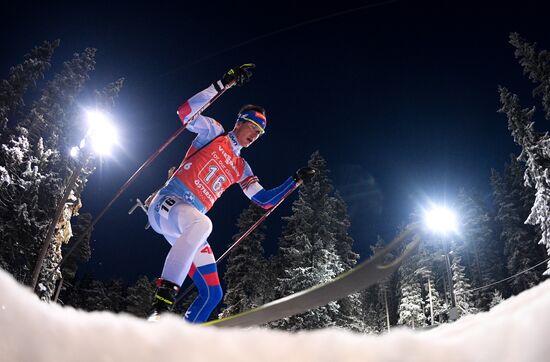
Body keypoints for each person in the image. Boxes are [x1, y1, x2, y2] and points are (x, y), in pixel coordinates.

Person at [146, 64, 315, 322]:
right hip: (168, 204)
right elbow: (185, 113)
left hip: (186, 226)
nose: (255, 136)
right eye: (253, 128)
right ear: (240, 123)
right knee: (203, 223)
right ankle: (161, 306)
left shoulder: (241, 167)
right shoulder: (214, 133)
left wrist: (295, 181)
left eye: (260, 134)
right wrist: (222, 84)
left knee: (213, 294)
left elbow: (264, 200)